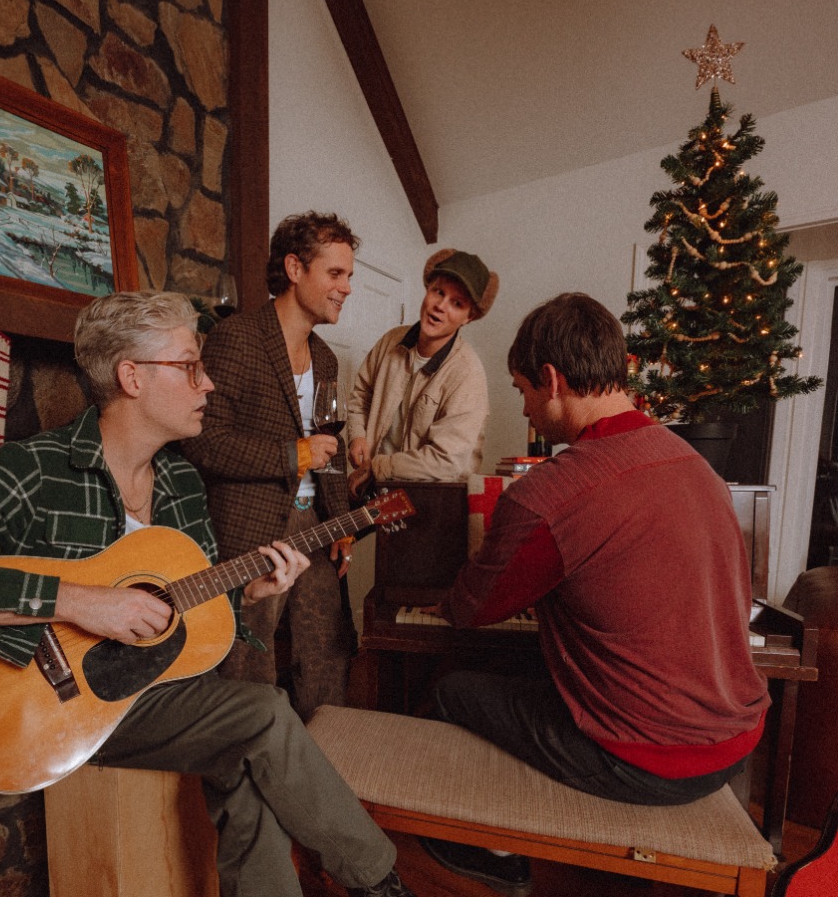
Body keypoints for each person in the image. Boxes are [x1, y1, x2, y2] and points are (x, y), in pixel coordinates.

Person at [0, 290, 414, 897]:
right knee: (267, 711)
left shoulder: (180, 481)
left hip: (149, 689)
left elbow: (183, 613)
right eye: (190, 366)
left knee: (245, 756)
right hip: (53, 707)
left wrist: (248, 593)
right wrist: (75, 601)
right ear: (131, 377)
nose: (209, 385)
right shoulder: (33, 471)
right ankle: (380, 881)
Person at [420, 292, 771, 891]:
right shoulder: (697, 466)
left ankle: (496, 857)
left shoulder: (552, 491)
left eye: (522, 389)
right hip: (739, 741)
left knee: (451, 691)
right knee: (534, 680)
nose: (525, 407)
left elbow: (474, 610)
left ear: (552, 380)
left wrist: (446, 602)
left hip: (649, 759)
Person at [181, 211, 358, 720]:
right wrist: (291, 455)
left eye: (350, 276)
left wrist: (339, 518)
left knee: (327, 652)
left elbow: (333, 447)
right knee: (246, 660)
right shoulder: (239, 338)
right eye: (336, 273)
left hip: (315, 527)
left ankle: (326, 762)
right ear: (295, 268)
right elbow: (204, 441)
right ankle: (250, 760)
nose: (346, 287)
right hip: (250, 532)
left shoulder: (325, 358)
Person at [347, 248, 497, 499]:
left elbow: (445, 462)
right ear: (427, 289)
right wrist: (357, 435)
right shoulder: (391, 341)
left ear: (468, 317)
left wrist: (377, 467)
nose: (440, 306)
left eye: (456, 303)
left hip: (433, 505)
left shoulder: (468, 374)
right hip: (374, 490)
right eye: (439, 292)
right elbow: (361, 393)